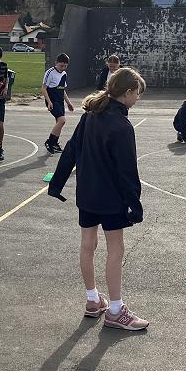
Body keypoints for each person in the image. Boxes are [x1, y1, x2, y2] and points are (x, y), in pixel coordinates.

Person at [47, 67, 149, 331]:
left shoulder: (89, 116)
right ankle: (115, 310)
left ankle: (93, 300)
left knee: (88, 245)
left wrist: (56, 184)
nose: (138, 98)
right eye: (137, 93)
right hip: (111, 198)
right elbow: (127, 171)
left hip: (88, 194)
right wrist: (135, 205)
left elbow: (70, 151)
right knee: (115, 249)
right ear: (127, 92)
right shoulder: (122, 126)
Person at [42, 53, 75, 154]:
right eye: (61, 65)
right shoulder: (50, 72)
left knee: (59, 122)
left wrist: (68, 103)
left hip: (60, 101)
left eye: (65, 66)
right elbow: (44, 88)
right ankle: (49, 142)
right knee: (62, 121)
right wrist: (49, 102)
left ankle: (55, 143)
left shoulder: (64, 74)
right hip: (52, 100)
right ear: (56, 63)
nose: (63, 67)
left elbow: (62, 89)